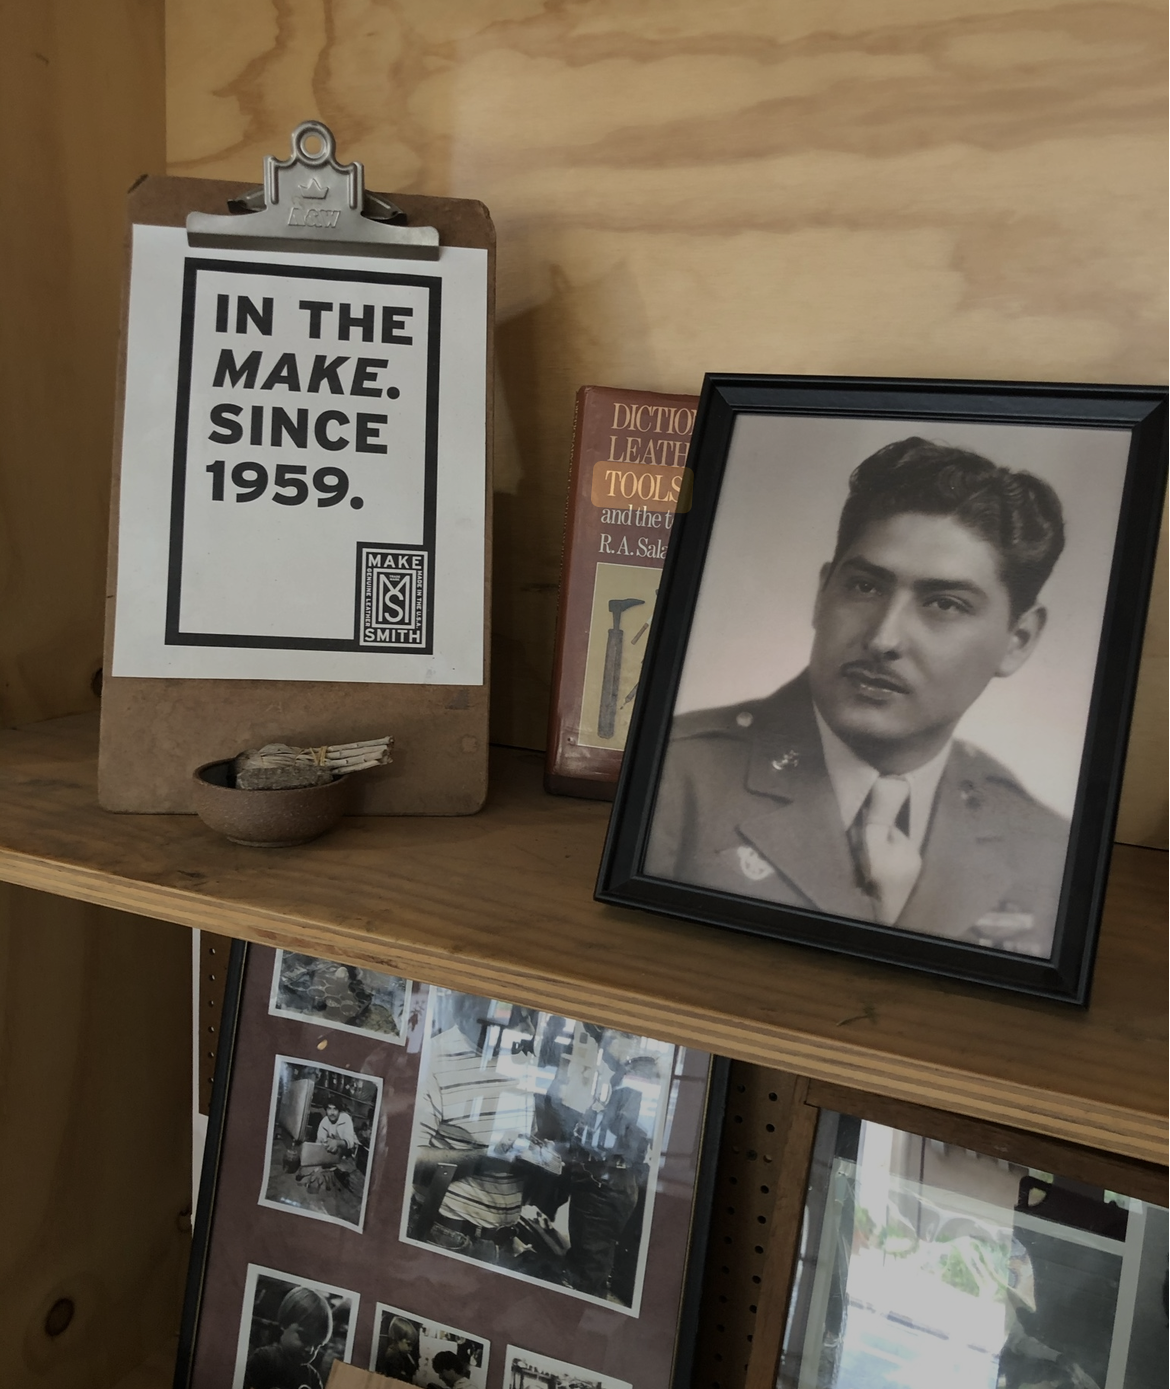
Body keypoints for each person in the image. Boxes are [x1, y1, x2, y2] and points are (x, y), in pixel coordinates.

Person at [646, 437, 1070, 955]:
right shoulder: (671, 778)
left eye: (944, 604)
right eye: (866, 587)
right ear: (823, 594)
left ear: (1018, 641)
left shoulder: (1044, 845)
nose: (883, 639)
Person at [410, 991, 531, 1262]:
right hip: (451, 1239)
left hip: (504, 1245)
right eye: (521, 1013)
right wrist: (483, 1161)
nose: (530, 1027)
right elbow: (410, 1162)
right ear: (483, 1007)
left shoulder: (518, 1060)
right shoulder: (435, 1058)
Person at [243, 1285, 331, 1389]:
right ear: (285, 1323)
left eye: (317, 1345)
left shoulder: (312, 1377)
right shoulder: (264, 1359)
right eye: (305, 1338)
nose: (310, 1350)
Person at [375, 1314, 420, 1382]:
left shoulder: (397, 1354)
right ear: (398, 1338)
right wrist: (410, 1379)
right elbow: (395, 1378)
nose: (411, 1349)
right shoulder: (393, 1357)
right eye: (408, 1344)